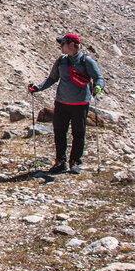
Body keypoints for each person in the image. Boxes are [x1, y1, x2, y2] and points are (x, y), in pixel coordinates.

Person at [29, 31, 104, 174]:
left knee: (78, 132)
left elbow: (98, 78)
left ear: (71, 44)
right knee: (59, 132)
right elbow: (52, 78)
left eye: (62, 43)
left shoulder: (86, 61)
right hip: (62, 103)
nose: (60, 46)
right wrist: (37, 88)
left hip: (80, 104)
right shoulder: (61, 61)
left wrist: (98, 87)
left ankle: (75, 161)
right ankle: (60, 161)